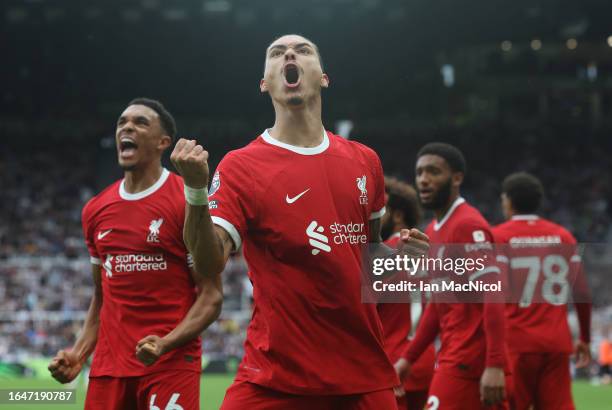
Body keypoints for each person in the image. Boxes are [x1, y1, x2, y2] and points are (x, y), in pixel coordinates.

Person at [170, 34, 429, 410]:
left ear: (323, 76)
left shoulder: (365, 161)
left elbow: (366, 265)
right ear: (265, 84)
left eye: (303, 50)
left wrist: (399, 257)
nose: (289, 53)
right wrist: (195, 191)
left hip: (361, 379)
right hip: (276, 379)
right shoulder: (242, 167)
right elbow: (209, 264)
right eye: (276, 53)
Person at [48, 98, 223, 410]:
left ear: (162, 143)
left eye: (140, 122)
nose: (127, 127)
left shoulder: (185, 200)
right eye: (122, 123)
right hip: (109, 368)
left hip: (169, 364)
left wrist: (166, 342)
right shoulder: (96, 210)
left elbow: (210, 296)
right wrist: (79, 351)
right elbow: (101, 297)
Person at [394, 142, 509, 410]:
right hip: (455, 355)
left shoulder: (468, 225)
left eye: (433, 172)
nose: (423, 179)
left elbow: (493, 296)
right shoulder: (433, 231)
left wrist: (494, 364)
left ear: (456, 178)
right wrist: (408, 359)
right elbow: (438, 304)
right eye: (420, 172)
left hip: (469, 361)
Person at [492, 172, 591, 410]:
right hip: (555, 344)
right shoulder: (563, 236)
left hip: (515, 343)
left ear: (508, 201)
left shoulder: (497, 236)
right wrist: (585, 338)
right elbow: (582, 293)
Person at [377, 176, 435, 410]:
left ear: (398, 215)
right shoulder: (426, 250)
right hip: (424, 360)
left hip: (392, 364)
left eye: (380, 210)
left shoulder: (382, 255)